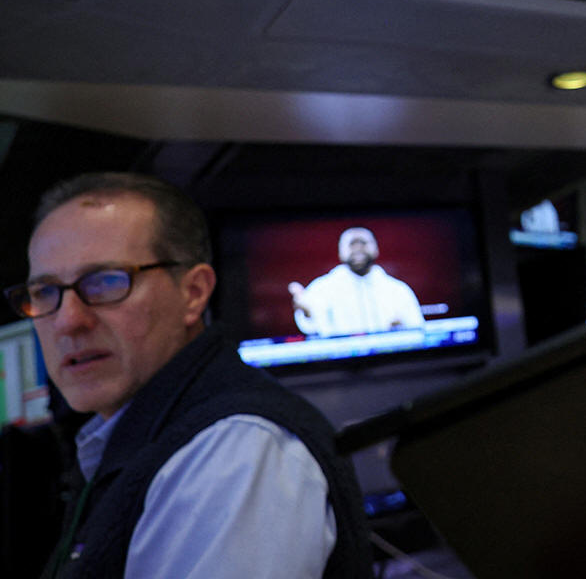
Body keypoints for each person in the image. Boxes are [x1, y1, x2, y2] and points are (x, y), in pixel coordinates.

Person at [6, 172, 371, 578]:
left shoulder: (235, 450)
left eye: (106, 282)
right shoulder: (127, 435)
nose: (67, 321)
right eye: (45, 293)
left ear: (193, 293)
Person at [288, 226, 424, 337]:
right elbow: (310, 328)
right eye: (351, 244)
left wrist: (401, 330)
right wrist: (307, 313)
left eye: (363, 243)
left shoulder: (398, 290)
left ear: (376, 249)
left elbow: (418, 330)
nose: (358, 248)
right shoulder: (322, 288)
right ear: (340, 252)